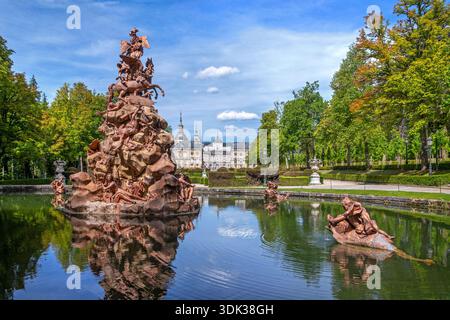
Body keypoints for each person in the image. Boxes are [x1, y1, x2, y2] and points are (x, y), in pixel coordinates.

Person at [328, 197, 394, 239]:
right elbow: (344, 216)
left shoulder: (355, 211)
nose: (346, 206)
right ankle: (387, 236)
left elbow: (358, 205)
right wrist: (333, 221)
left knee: (375, 226)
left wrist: (333, 220)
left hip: (364, 227)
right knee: (375, 227)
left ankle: (388, 236)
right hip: (361, 228)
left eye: (347, 204)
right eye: (345, 205)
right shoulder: (348, 214)